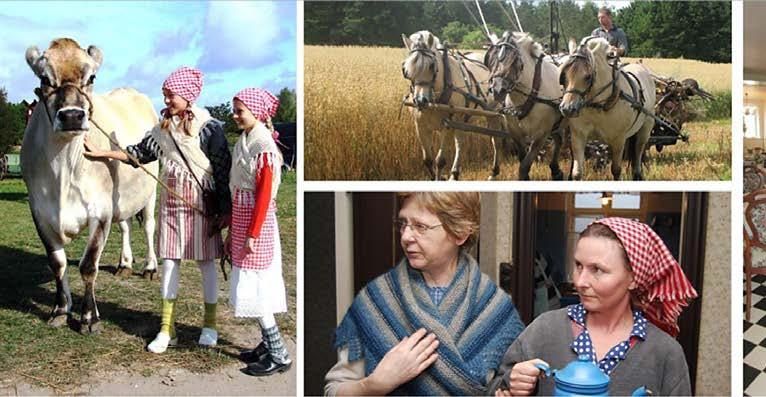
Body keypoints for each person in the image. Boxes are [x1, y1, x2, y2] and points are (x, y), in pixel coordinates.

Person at [83, 66, 231, 353]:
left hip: (203, 203)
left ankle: (210, 326)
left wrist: (225, 211)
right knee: (169, 263)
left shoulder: (210, 127)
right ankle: (167, 329)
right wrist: (102, 152)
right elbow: (138, 153)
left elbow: (223, 169)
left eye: (170, 95)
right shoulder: (162, 130)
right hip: (172, 204)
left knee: (206, 263)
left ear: (187, 96)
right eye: (164, 95)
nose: (166, 101)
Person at [325, 192, 525, 395]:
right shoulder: (374, 303)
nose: (405, 237)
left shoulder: (496, 310)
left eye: (420, 227)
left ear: (460, 233)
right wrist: (374, 385)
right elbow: (333, 390)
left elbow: (507, 382)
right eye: (403, 223)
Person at [488, 218, 696, 396]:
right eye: (579, 266)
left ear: (633, 278)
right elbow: (494, 388)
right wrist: (511, 384)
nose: (580, 281)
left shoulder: (665, 353)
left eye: (597, 269)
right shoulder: (544, 330)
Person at [228, 88, 292, 376]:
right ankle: (267, 345)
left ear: (256, 112)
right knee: (252, 284)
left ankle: (279, 354)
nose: (235, 115)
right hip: (244, 218)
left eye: (240, 110)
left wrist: (252, 234)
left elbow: (264, 194)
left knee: (256, 287)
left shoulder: (263, 146)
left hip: (257, 223)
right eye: (235, 109)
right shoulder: (247, 138)